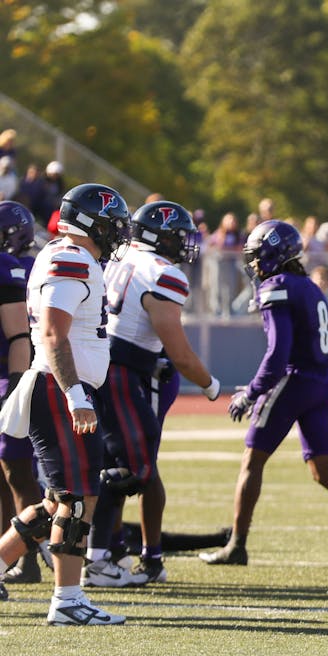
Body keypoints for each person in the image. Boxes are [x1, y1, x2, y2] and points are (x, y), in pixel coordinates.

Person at [0, 183, 132, 625]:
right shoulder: (71, 258)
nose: (119, 233)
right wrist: (77, 395)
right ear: (93, 223)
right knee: (77, 500)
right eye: (114, 224)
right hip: (60, 389)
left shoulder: (68, 254)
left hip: (61, 387)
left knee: (58, 500)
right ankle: (68, 599)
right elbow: (55, 335)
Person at [200, 220, 328, 565]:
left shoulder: (277, 286)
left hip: (295, 380)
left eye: (257, 256)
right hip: (322, 381)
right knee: (323, 470)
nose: (255, 264)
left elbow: (277, 354)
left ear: (273, 255)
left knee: (252, 460)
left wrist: (252, 392)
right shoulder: (309, 285)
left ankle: (237, 545)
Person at [85, 201, 221, 587]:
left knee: (115, 462)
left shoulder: (119, 256)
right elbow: (178, 352)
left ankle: (102, 552)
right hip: (123, 373)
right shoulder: (164, 273)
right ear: (161, 237)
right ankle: (93, 555)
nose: (184, 245)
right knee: (136, 469)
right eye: (179, 237)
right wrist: (211, 386)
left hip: (99, 363)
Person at [0, 201, 43, 586]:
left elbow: (18, 336)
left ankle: (25, 557)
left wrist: (13, 386)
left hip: (12, 376)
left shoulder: (15, 269)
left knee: (17, 473)